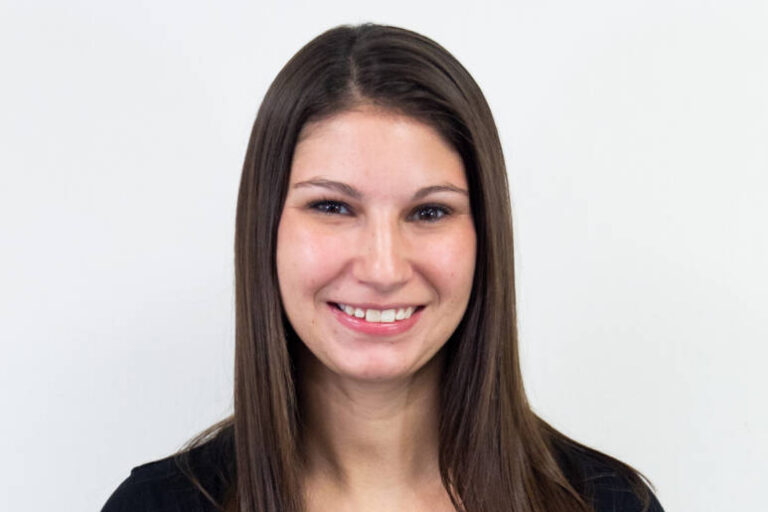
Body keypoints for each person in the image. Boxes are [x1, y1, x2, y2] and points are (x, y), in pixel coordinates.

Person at [101, 23, 664, 512]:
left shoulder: (608, 503)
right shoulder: (155, 509)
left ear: (484, 238)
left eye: (430, 211)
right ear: (265, 229)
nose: (382, 266)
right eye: (332, 207)